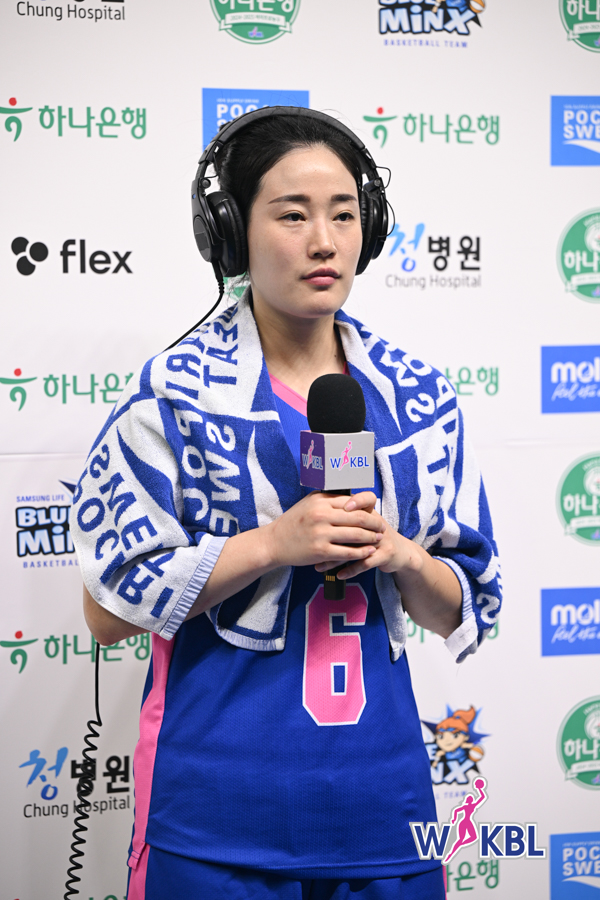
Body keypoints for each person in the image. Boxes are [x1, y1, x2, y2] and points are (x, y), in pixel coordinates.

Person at [71, 108, 502, 900]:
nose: (324, 242)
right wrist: (273, 544)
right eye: (293, 215)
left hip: (384, 806)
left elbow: (463, 605)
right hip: (216, 812)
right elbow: (106, 613)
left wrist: (403, 556)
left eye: (344, 214)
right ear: (231, 232)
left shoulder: (418, 396)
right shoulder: (173, 396)